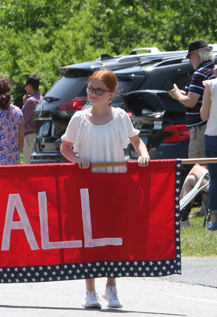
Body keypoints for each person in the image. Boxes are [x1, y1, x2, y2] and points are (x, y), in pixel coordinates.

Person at [59, 68, 150, 309]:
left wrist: (143, 156)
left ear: (111, 94)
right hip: (88, 187)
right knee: (90, 237)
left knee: (114, 236)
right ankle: (90, 292)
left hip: (115, 184)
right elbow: (65, 147)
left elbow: (136, 140)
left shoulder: (120, 116)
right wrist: (76, 159)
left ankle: (112, 286)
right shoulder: (78, 118)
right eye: (90, 88)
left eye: (98, 90)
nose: (92, 93)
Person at [168, 40, 214, 159]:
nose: (189, 61)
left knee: (198, 166)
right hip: (212, 125)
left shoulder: (200, 73)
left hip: (200, 127)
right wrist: (184, 94)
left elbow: (191, 102)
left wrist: (177, 95)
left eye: (190, 57)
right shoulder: (212, 70)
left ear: (197, 56)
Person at [198, 73, 217, 230]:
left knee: (215, 178)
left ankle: (214, 220)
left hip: (213, 136)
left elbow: (204, 115)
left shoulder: (210, 85)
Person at [20, 75, 42, 163]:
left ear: (30, 86)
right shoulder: (42, 98)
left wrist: (24, 104)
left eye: (26, 85)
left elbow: (22, 119)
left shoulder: (31, 101)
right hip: (39, 136)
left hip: (30, 137)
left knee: (29, 164)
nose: (25, 87)